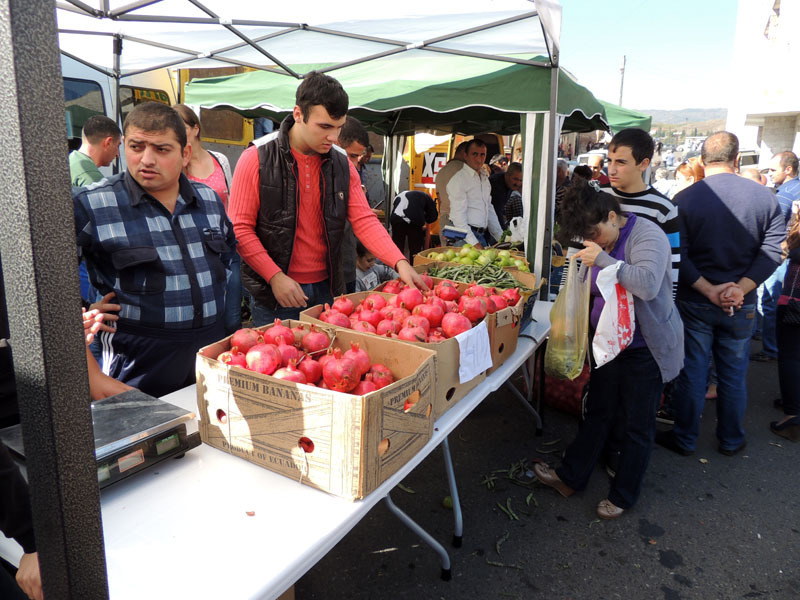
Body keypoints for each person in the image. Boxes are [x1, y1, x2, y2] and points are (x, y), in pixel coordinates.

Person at [533, 180, 683, 519]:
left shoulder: (647, 235)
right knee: (598, 410)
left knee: (637, 424)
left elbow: (645, 284)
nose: (593, 242)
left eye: (596, 234)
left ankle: (624, 495)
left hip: (645, 347)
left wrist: (602, 259)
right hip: (608, 343)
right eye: (587, 238)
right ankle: (571, 476)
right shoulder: (596, 241)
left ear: (613, 217)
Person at [227, 71, 425, 325]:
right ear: (298, 114)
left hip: (327, 290)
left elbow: (363, 219)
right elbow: (240, 229)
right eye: (325, 127)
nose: (333, 137)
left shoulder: (341, 162)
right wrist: (274, 276)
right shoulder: (257, 157)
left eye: (339, 127)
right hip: (275, 293)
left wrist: (399, 262)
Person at [74, 102, 237, 397]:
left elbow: (227, 256)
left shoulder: (209, 201)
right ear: (124, 146)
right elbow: (46, 285)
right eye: (136, 147)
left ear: (185, 153)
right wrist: (84, 313)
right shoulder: (93, 205)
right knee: (146, 441)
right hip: (137, 367)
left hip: (209, 358)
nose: (146, 159)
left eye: (161, 149)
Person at [657, 132, 784, 456]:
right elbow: (772, 251)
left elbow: (677, 254)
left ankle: (685, 438)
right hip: (740, 304)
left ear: (701, 161)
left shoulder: (684, 199)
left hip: (696, 300)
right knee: (733, 375)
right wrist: (738, 289)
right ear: (736, 159)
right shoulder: (765, 197)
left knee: (692, 373)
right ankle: (730, 439)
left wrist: (709, 289)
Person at [173, 104, 241, 335]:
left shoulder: (219, 159)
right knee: (207, 314)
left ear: (195, 128)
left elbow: (232, 196)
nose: (176, 132)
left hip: (227, 246)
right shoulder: (178, 163)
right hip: (196, 249)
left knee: (232, 316)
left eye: (180, 126)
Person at [752, 151, 800, 362]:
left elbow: (773, 227)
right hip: (790, 256)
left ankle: (771, 349)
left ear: (788, 169)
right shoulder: (794, 189)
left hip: (781, 255)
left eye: (773, 170)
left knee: (771, 300)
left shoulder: (784, 194)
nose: (770, 174)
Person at [771, 217, 800, 440]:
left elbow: (791, 252)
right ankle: (793, 400)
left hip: (795, 302)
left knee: (791, 356)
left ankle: (793, 415)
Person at [335, 116, 371, 293]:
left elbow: (363, 223)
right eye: (352, 156)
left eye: (359, 157)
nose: (356, 164)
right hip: (325, 277)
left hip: (347, 269)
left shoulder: (351, 179)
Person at [447, 138, 502, 248]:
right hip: (460, 232)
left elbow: (489, 208)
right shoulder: (458, 180)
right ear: (465, 155)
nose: (479, 159)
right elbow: (458, 218)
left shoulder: (484, 177)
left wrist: (500, 236)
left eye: (482, 155)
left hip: (480, 232)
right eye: (474, 154)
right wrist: (474, 243)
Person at [68, 115, 120, 188]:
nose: (118, 154)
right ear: (108, 142)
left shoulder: (72, 159)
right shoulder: (90, 176)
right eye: (117, 146)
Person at [390, 190, 438, 261]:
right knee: (415, 248)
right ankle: (414, 266)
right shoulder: (426, 197)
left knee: (398, 246)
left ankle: (396, 265)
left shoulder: (402, 194)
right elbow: (433, 215)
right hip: (414, 220)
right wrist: (425, 219)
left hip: (396, 218)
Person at [434, 141, 469, 236]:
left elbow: (439, 199)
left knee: (447, 249)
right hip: (460, 220)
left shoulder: (441, 172)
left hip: (445, 218)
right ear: (464, 153)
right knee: (461, 250)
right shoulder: (466, 170)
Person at [489, 162, 522, 230]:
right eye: (515, 179)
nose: (518, 183)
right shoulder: (497, 186)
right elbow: (497, 213)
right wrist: (504, 233)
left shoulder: (510, 184)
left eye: (520, 180)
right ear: (507, 175)